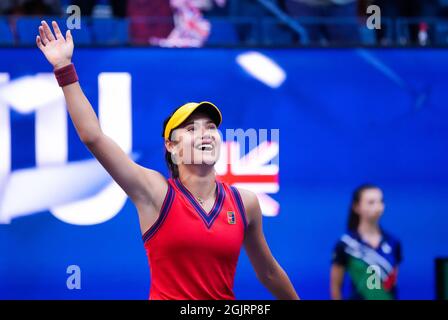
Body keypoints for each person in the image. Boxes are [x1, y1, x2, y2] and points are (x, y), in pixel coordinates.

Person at [35, 20, 300, 300]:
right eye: (191, 129)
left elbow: (269, 272)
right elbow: (93, 137)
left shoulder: (245, 202)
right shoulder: (156, 192)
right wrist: (64, 68)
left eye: (211, 128)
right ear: (171, 146)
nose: (205, 134)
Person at [330, 184, 402, 300]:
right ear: (356, 207)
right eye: (371, 202)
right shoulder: (345, 244)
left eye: (380, 201)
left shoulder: (394, 242)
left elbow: (392, 282)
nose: (378, 207)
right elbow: (336, 287)